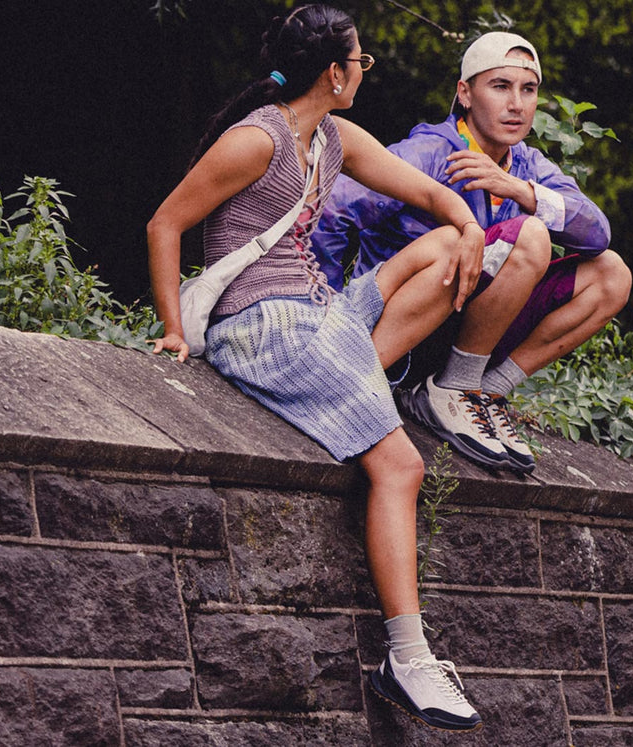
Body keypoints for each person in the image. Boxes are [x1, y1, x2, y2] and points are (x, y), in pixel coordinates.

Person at [143, 5, 483, 732]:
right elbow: (164, 223)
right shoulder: (255, 141)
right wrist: (175, 330)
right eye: (361, 63)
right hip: (263, 326)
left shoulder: (333, 136)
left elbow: (425, 193)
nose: (364, 73)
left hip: (322, 315)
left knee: (443, 250)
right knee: (401, 467)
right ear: (335, 72)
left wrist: (472, 227)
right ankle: (408, 657)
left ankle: (355, 381)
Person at [311, 31, 631, 475]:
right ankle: (448, 390)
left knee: (611, 274)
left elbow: (597, 233)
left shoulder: (527, 165)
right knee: (532, 236)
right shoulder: (430, 151)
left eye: (528, 89)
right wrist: (321, 308)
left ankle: (480, 391)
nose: (516, 104)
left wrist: (517, 189)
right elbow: (333, 213)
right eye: (500, 86)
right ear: (465, 93)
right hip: (401, 334)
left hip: (469, 335)